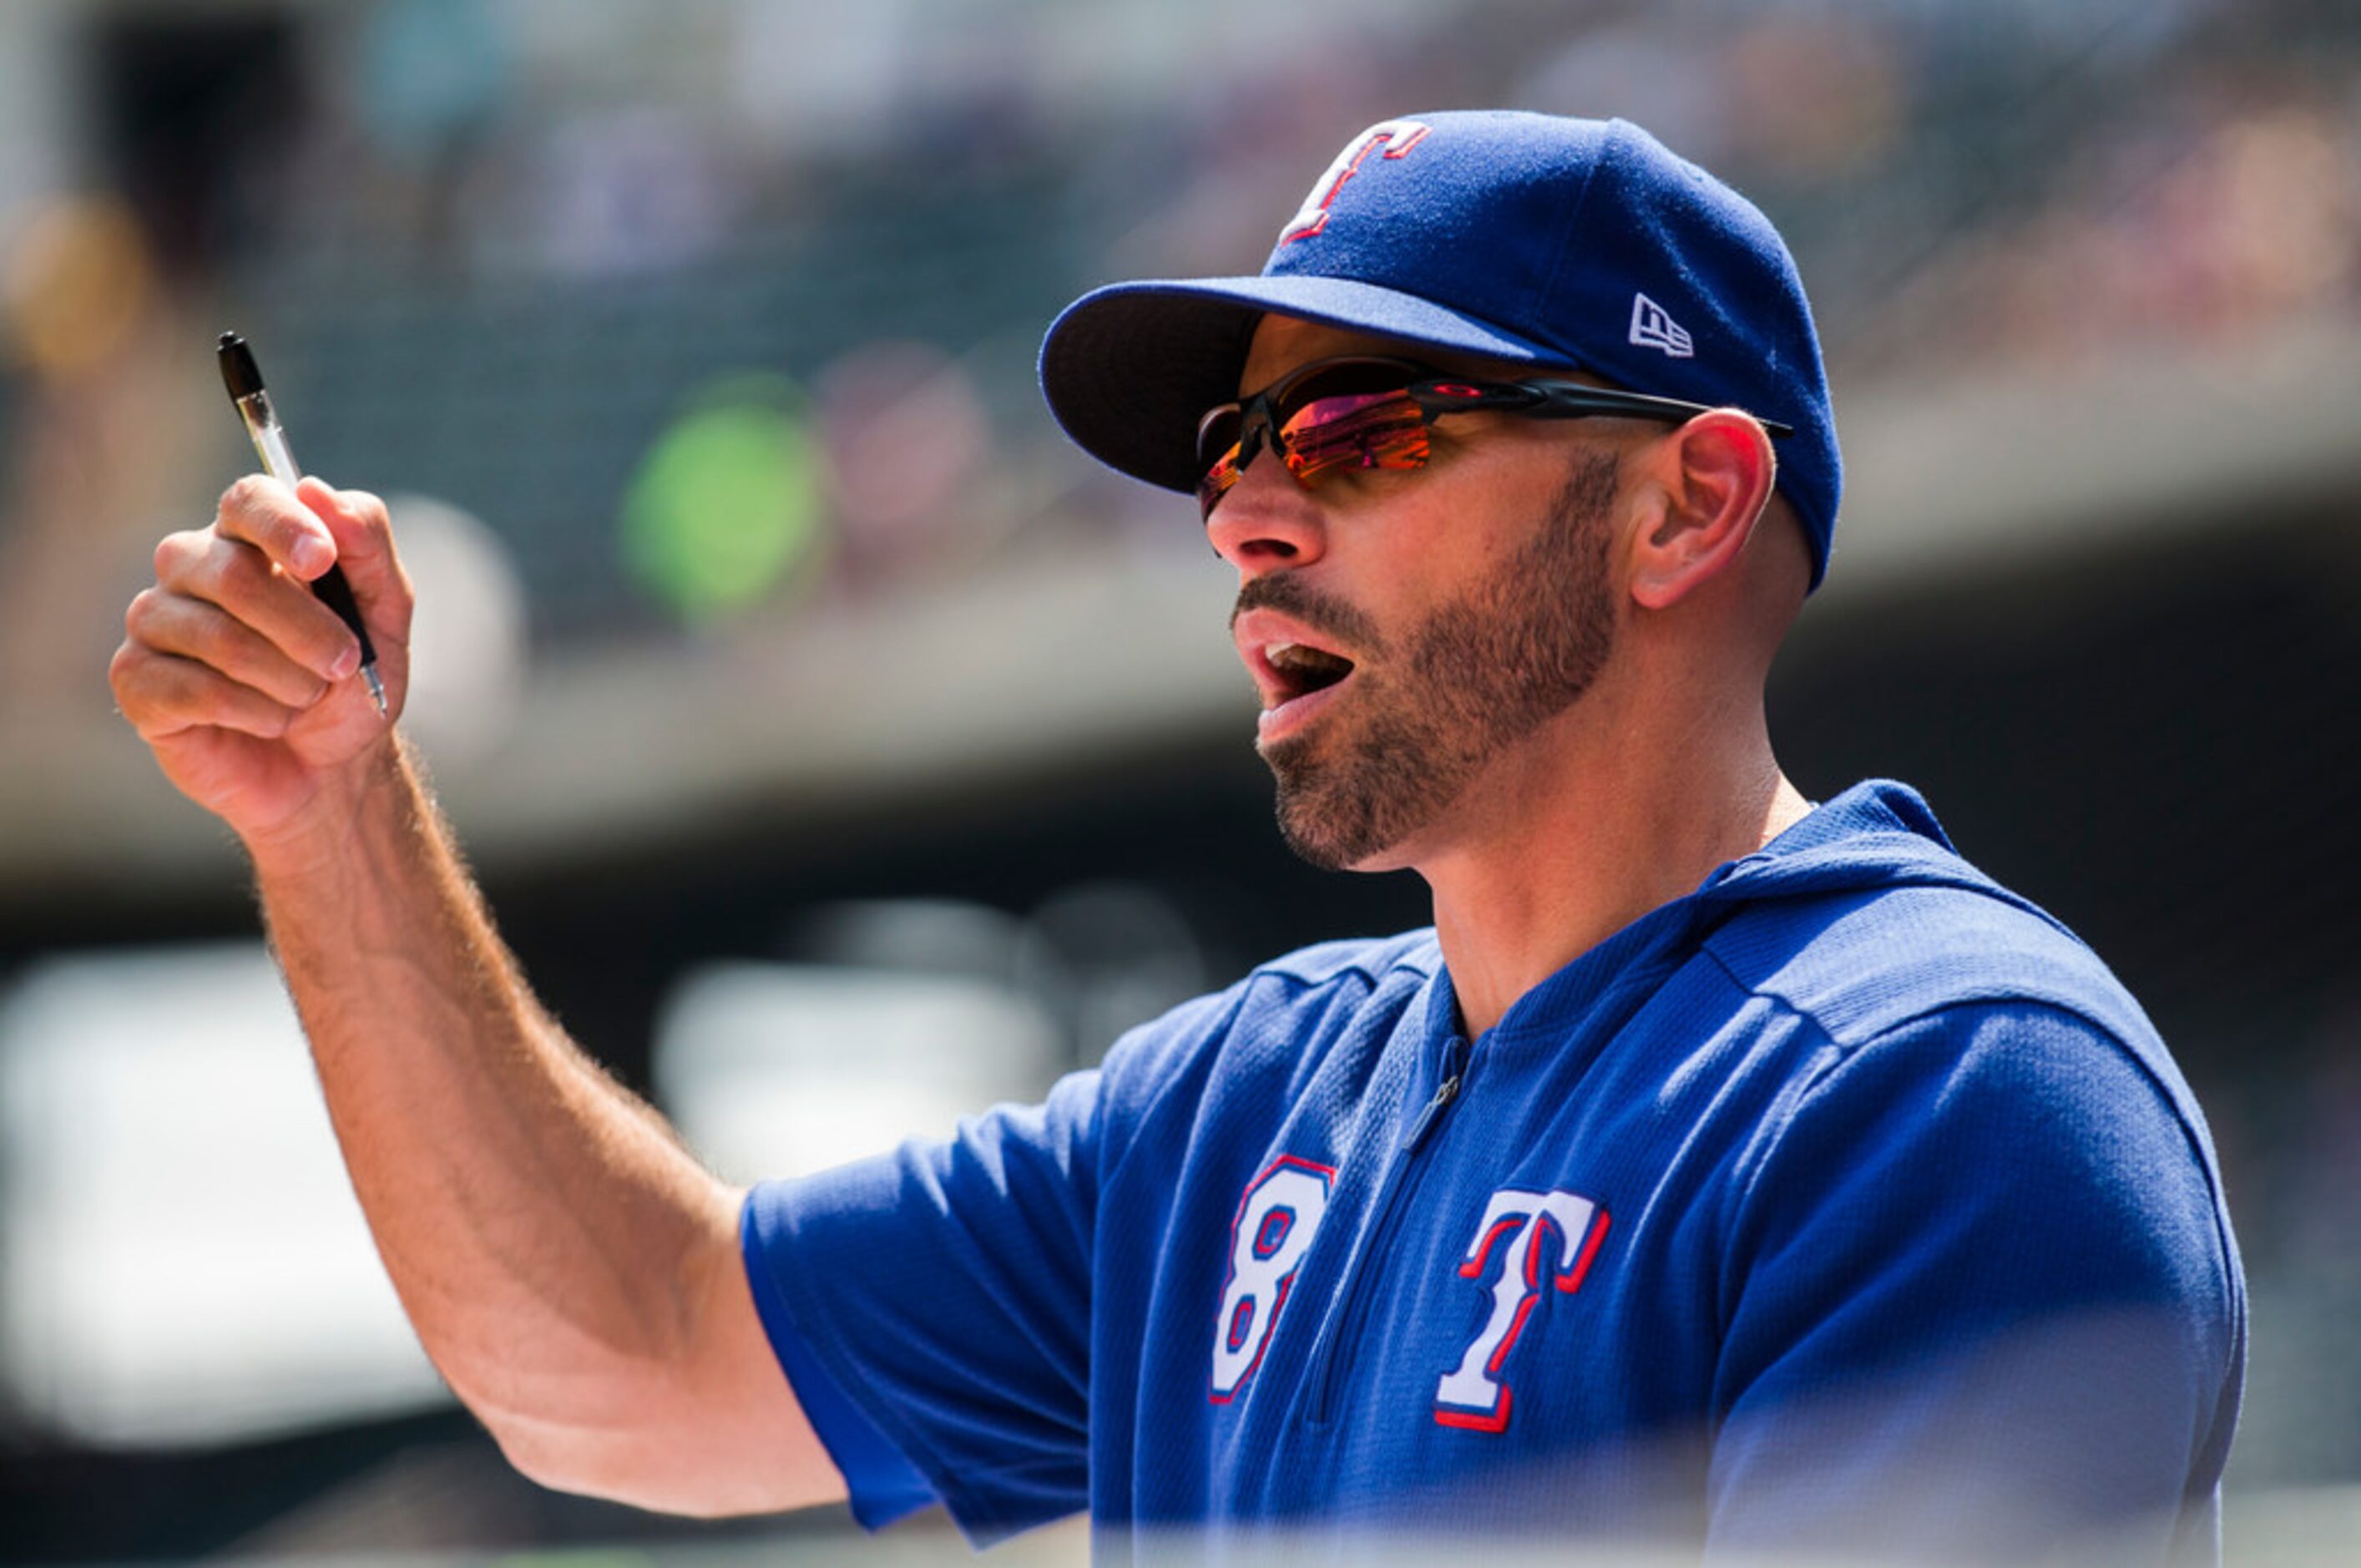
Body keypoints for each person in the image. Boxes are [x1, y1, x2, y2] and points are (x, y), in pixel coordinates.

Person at [109, 112, 2242, 1563]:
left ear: (1684, 500)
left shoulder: (1943, 1090)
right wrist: (331, 816)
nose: (1242, 508)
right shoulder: (1238, 1106)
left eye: (1361, 427)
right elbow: (625, 1354)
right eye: (1232, 444)